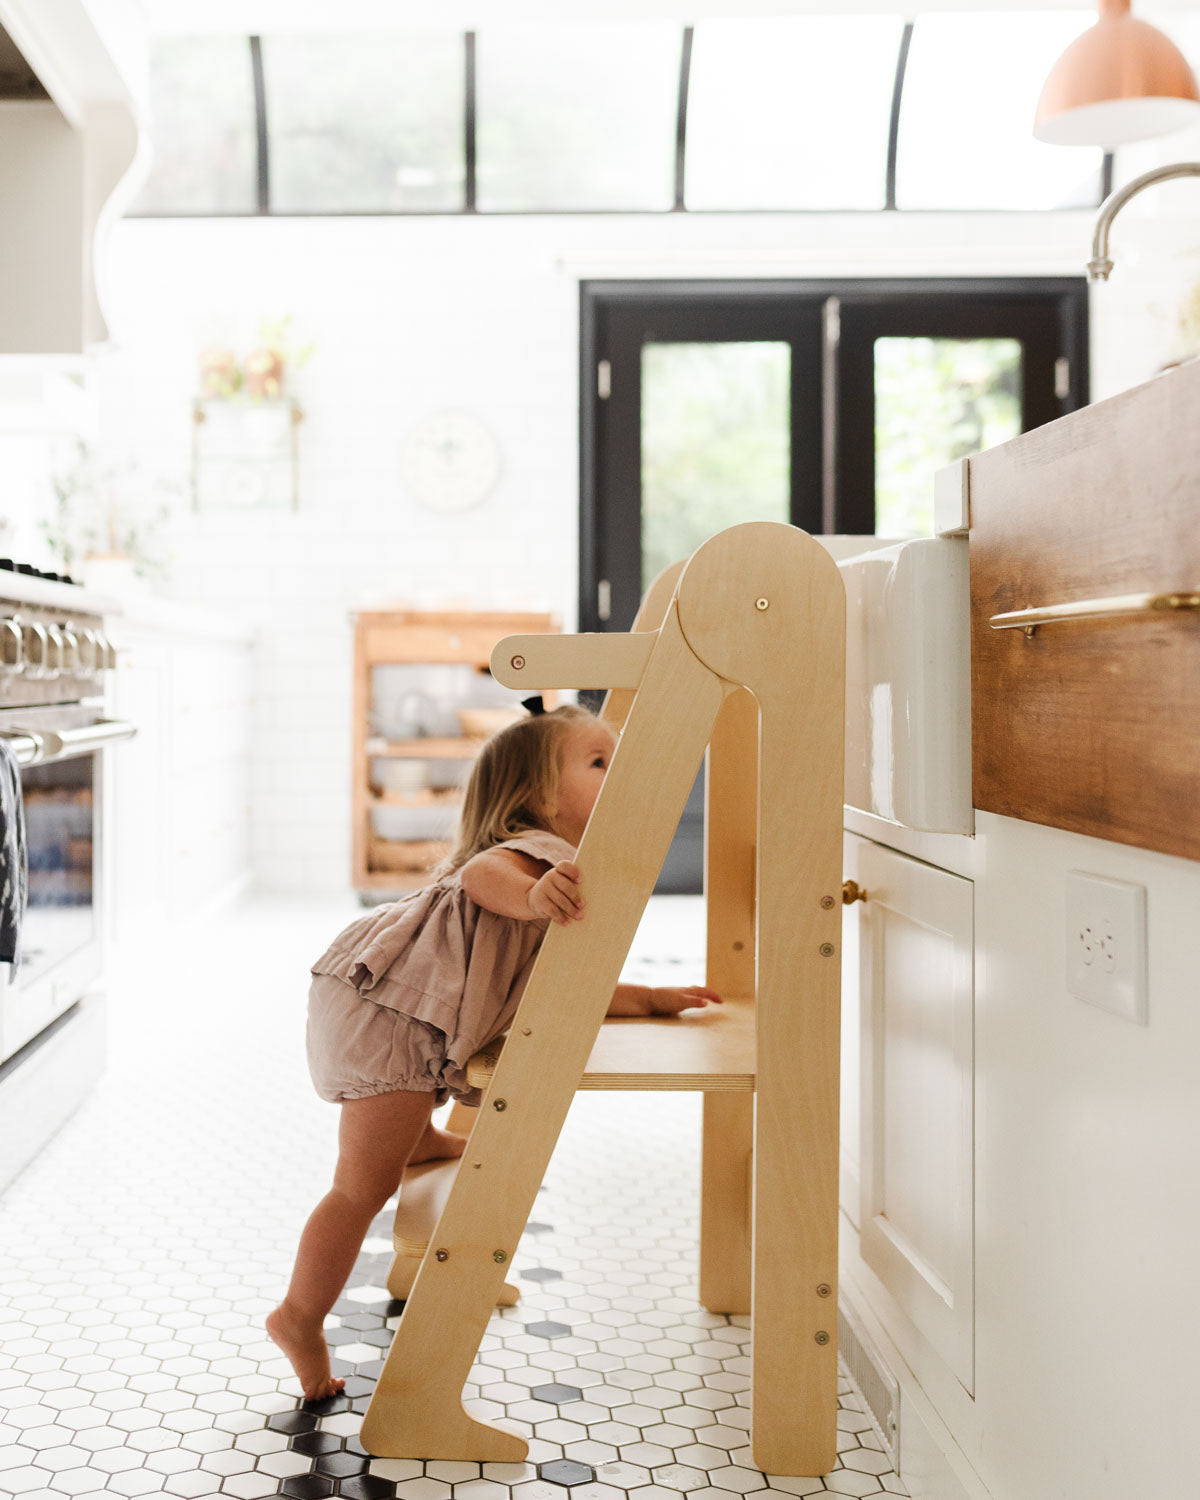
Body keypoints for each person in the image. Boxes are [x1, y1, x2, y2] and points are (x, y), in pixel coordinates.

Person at [267, 701, 722, 1401]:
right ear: (539, 796)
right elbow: (485, 874)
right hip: (387, 1016)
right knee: (361, 1187)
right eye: (599, 762)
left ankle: (419, 1140)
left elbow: (566, 985)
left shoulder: (555, 866)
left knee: (397, 1140)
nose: (620, 772)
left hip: (389, 1003)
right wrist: (536, 895)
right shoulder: (531, 853)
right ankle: (298, 1316)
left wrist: (652, 998)